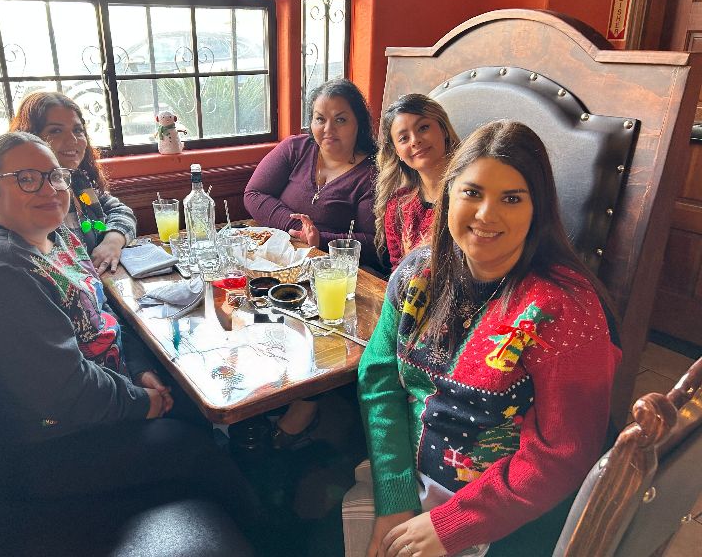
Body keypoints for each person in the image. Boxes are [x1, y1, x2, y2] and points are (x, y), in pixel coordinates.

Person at [0, 132, 259, 537]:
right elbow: (66, 393)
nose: (50, 189)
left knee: (192, 399)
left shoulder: (53, 236)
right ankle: (266, 534)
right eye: (27, 179)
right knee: (196, 446)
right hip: (44, 450)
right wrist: (144, 403)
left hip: (82, 409)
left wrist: (138, 370)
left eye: (55, 176)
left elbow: (103, 316)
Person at [346, 121, 621, 557]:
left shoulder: (565, 307)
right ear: (449, 193)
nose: (486, 215)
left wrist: (451, 526)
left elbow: (563, 452)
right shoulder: (417, 272)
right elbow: (380, 380)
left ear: (538, 210)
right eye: (472, 192)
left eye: (511, 198)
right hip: (408, 479)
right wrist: (395, 499)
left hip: (508, 511)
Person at [244, 78, 378, 265]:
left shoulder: (373, 173)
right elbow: (253, 194)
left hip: (335, 270)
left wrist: (320, 239)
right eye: (320, 119)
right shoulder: (295, 148)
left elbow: (376, 243)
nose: (328, 129)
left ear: (359, 122)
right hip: (276, 256)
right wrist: (299, 228)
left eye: (340, 119)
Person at [10, 91, 136, 275]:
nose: (73, 140)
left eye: (78, 130)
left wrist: (113, 240)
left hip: (101, 288)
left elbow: (119, 210)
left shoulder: (78, 182)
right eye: (56, 131)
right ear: (31, 137)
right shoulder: (24, 194)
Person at [374, 94, 459, 269]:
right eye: (404, 138)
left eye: (423, 127)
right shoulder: (397, 207)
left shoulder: (472, 195)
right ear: (397, 151)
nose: (415, 140)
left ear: (443, 129)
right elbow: (398, 272)